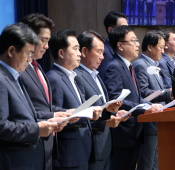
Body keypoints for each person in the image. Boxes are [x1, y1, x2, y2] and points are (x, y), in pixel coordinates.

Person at [0, 22, 68, 170]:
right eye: (28, 53)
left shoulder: (14, 76)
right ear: (11, 50)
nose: (30, 59)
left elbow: (25, 116)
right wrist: (36, 129)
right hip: (16, 162)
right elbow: (1, 126)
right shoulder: (1, 78)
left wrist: (49, 121)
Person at [19, 13, 77, 170]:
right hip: (30, 146)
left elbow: (46, 106)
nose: (46, 46)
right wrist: (53, 116)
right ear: (28, 37)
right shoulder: (19, 70)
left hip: (48, 146)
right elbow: (25, 112)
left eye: (48, 41)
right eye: (43, 40)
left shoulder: (38, 67)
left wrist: (66, 112)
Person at [102, 25, 162, 170]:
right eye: (133, 41)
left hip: (134, 131)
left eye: (137, 40)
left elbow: (136, 97)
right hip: (123, 133)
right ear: (120, 45)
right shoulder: (114, 66)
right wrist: (142, 109)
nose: (137, 44)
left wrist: (149, 105)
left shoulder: (128, 66)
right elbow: (115, 98)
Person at [46, 29, 103, 170]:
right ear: (61, 53)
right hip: (68, 155)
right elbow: (54, 115)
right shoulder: (54, 78)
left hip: (82, 150)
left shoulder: (73, 76)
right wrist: (84, 115)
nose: (79, 54)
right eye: (75, 49)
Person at [75, 30, 129, 170]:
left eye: (103, 53)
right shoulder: (77, 76)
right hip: (91, 147)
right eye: (98, 52)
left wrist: (113, 113)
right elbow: (78, 114)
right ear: (84, 51)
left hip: (104, 146)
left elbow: (101, 108)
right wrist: (105, 122)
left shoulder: (95, 74)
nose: (102, 57)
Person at [133, 30, 172, 170]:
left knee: (155, 165)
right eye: (161, 47)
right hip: (148, 124)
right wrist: (168, 93)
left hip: (157, 122)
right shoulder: (140, 65)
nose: (163, 51)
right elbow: (143, 93)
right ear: (150, 47)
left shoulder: (154, 65)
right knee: (147, 164)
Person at [97, 11, 128, 78]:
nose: (127, 32)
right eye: (123, 28)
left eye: (127, 28)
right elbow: (104, 80)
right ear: (110, 30)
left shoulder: (123, 51)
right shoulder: (104, 52)